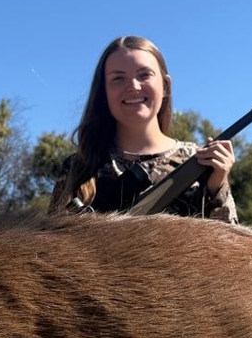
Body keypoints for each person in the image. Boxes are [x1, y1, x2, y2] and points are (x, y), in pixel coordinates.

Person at [49, 35, 238, 222]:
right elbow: (52, 239)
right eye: (118, 78)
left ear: (165, 86)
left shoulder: (201, 162)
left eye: (144, 75)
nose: (133, 86)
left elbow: (229, 239)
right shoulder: (78, 168)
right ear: (103, 92)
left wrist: (217, 186)